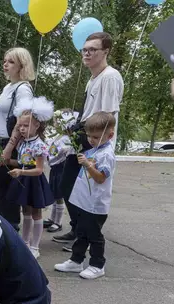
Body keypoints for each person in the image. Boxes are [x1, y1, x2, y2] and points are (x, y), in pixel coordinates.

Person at [54, 32, 123, 249]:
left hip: (95, 142)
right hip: (83, 136)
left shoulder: (110, 76)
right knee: (67, 185)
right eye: (84, 49)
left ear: (106, 51)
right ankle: (78, 229)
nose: (87, 53)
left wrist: (93, 142)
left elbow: (107, 115)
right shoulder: (93, 78)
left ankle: (85, 235)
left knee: (85, 189)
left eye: (92, 49)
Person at [54, 112, 116, 280]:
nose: (90, 140)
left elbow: (101, 178)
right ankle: (76, 260)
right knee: (81, 232)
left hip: (95, 204)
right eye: (89, 136)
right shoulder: (95, 148)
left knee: (94, 235)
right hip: (84, 201)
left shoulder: (106, 155)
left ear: (109, 135)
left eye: (95, 137)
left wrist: (88, 165)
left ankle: (97, 264)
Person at [0, 48, 35, 230]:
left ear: (21, 65)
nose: (5, 64)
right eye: (5, 60)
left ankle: (9, 230)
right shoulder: (8, 87)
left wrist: (8, 148)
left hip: (10, 145)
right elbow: (2, 116)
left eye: (11, 61)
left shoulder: (23, 89)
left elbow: (22, 122)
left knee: (5, 192)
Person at [5, 97, 55, 259]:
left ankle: (35, 246)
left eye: (26, 126)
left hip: (33, 181)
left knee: (36, 212)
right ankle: (25, 242)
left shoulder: (39, 145)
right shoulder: (23, 143)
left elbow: (39, 170)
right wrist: (7, 161)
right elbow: (22, 161)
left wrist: (20, 171)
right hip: (23, 179)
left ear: (37, 125)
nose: (22, 129)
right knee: (25, 211)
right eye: (20, 126)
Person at [44, 110, 74, 233]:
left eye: (57, 120)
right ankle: (52, 218)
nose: (54, 122)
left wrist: (49, 157)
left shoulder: (66, 139)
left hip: (60, 168)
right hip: (54, 168)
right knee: (54, 194)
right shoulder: (58, 136)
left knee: (59, 195)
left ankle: (58, 222)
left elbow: (60, 153)